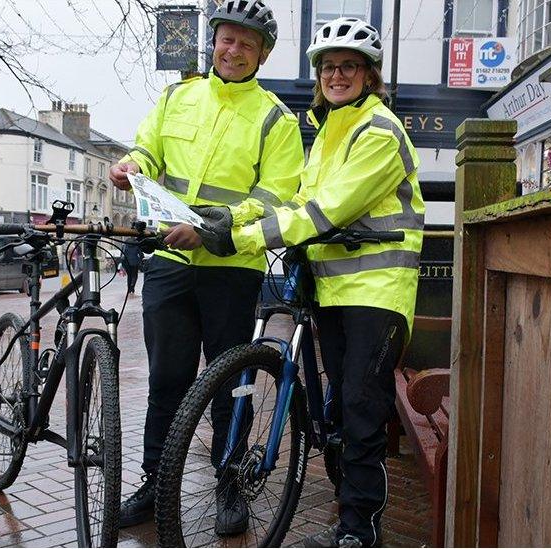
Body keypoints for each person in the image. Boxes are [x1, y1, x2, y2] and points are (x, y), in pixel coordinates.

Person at [173, 17, 424, 548]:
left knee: (360, 408)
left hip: (376, 294)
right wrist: (225, 222)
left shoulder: (380, 131)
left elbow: (323, 211)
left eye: (349, 66)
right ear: (319, 75)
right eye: (329, 67)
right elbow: (292, 203)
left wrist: (238, 242)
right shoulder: (330, 131)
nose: (337, 75)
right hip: (329, 289)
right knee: (340, 407)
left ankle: (360, 530)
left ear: (369, 75)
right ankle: (346, 502)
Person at [108, 0, 304, 533]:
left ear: (262, 54)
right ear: (213, 40)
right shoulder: (176, 96)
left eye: (247, 43)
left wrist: (212, 226)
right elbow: (150, 151)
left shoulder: (276, 119)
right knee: (166, 380)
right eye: (227, 38)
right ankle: (156, 481)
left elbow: (273, 197)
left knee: (230, 380)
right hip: (169, 262)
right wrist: (132, 167)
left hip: (231, 267)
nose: (233, 50)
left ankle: (230, 483)